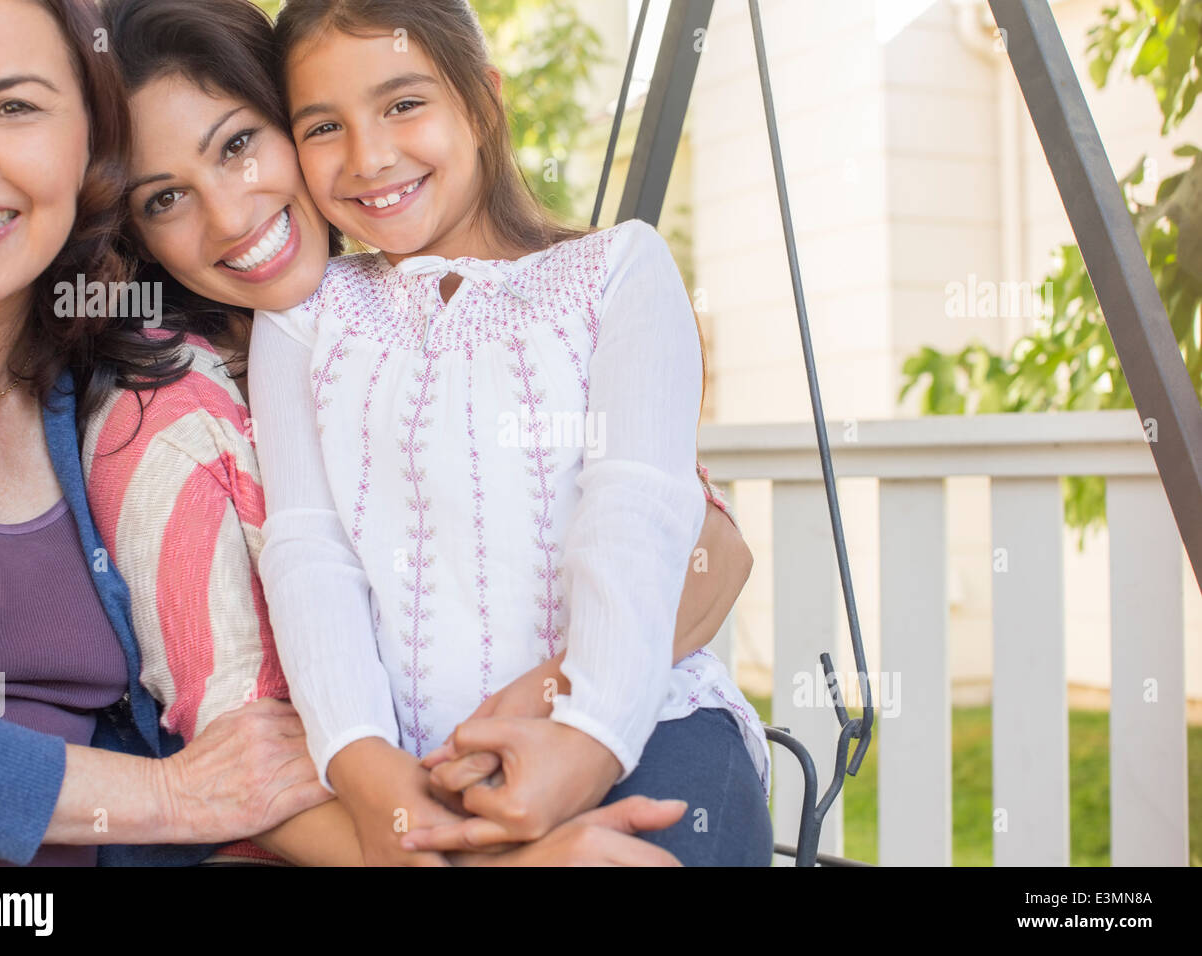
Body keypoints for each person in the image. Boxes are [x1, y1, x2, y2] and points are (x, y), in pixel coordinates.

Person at [84, 0, 757, 866]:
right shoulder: (290, 333)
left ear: (484, 100)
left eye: (404, 104)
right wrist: (370, 774)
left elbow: (648, 519)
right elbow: (308, 563)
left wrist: (586, 729)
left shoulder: (611, 272)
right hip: (418, 769)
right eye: (325, 124)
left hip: (649, 723)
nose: (369, 156)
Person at [0, 0, 333, 867]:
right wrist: (170, 800)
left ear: (92, 144)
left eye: (12, 106)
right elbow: (197, 779)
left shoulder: (111, 359)